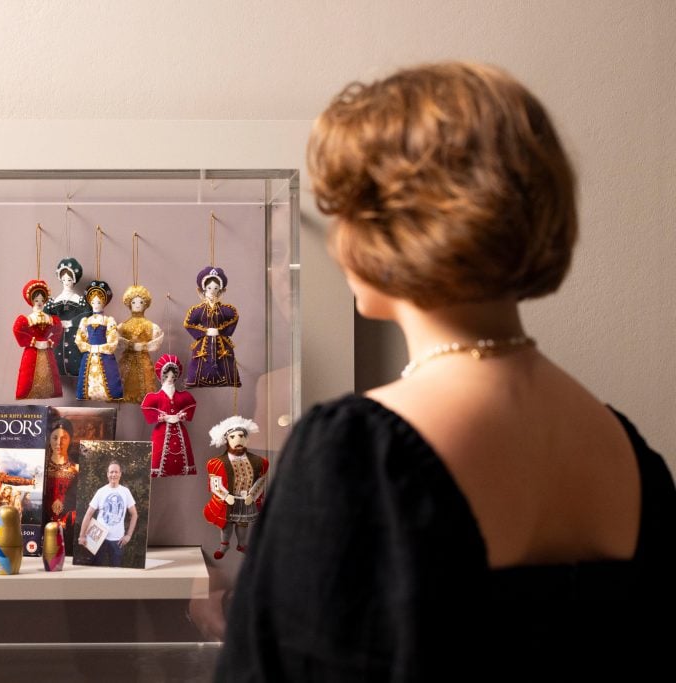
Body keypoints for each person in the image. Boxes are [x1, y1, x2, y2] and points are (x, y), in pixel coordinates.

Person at [216, 62, 676, 681]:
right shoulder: (628, 450)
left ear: (399, 227)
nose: (333, 241)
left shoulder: (356, 452)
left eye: (346, 209)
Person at [203, 416, 268, 560]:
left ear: (246, 439)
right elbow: (215, 484)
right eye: (233, 437)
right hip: (228, 500)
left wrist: (253, 494)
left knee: (243, 524)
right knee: (226, 524)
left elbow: (261, 481)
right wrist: (226, 496)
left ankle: (242, 544)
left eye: (241, 436)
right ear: (227, 440)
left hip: (246, 499)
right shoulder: (217, 463)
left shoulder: (259, 462)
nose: (238, 440)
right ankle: (224, 544)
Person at [141, 354, 197, 477]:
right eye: (167, 376)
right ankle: (158, 470)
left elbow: (191, 405)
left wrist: (182, 415)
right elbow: (146, 407)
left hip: (179, 429)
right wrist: (160, 416)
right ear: (162, 376)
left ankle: (183, 468)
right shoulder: (155, 396)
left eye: (173, 376)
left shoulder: (182, 395)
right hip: (162, 430)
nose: (170, 379)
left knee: (183, 450)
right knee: (158, 452)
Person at [183, 266, 240, 387]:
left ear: (220, 290)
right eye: (209, 288)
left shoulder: (225, 309)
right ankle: (195, 380)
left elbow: (234, 317)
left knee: (225, 363)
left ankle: (230, 380)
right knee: (200, 363)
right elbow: (188, 324)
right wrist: (205, 332)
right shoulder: (198, 310)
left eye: (216, 288)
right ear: (203, 289)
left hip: (221, 343)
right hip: (204, 343)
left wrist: (221, 331)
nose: (212, 291)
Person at [77, 460, 137, 567]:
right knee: (95, 569)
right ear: (107, 474)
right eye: (111, 472)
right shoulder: (101, 492)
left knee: (116, 570)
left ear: (120, 474)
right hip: (98, 539)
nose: (113, 474)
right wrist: (82, 536)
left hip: (118, 540)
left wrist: (128, 535)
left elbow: (134, 514)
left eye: (116, 472)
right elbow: (88, 514)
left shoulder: (125, 492)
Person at [13, 278, 65, 399]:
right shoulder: (27, 319)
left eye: (42, 299)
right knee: (29, 373)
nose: (39, 302)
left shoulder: (51, 319)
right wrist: (32, 342)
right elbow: (17, 330)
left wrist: (51, 341)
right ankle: (28, 391)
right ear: (31, 300)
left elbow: (58, 331)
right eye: (36, 300)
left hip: (47, 349)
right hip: (32, 350)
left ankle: (50, 390)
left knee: (50, 372)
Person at [75, 280, 124, 401]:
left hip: (105, 356)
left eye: (98, 302)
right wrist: (89, 347)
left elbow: (113, 341)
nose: (96, 305)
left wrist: (100, 348)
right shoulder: (86, 321)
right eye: (93, 302)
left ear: (104, 302)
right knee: (85, 379)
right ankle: (85, 393)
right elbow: (79, 339)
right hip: (89, 355)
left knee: (110, 378)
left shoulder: (108, 320)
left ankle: (112, 393)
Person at [117, 284, 164, 403]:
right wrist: (130, 345)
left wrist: (143, 346)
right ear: (129, 303)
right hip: (127, 359)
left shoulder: (150, 326)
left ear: (145, 304)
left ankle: (144, 397)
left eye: (140, 302)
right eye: (134, 302)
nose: (137, 305)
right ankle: (125, 395)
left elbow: (156, 342)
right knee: (125, 378)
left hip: (143, 358)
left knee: (144, 378)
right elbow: (117, 339)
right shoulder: (124, 326)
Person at [45, 257, 91, 377]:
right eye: (64, 279)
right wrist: (56, 322)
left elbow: (88, 312)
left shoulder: (79, 300)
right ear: (60, 279)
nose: (66, 282)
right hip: (58, 336)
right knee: (56, 356)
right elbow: (46, 315)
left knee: (75, 356)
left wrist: (73, 322)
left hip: (74, 335)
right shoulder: (55, 300)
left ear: (74, 280)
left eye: (69, 279)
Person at [43, 417, 80, 554]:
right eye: (55, 438)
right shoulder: (42, 468)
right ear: (49, 439)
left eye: (64, 438)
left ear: (70, 440)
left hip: (69, 525)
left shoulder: (77, 468)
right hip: (44, 523)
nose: (59, 443)